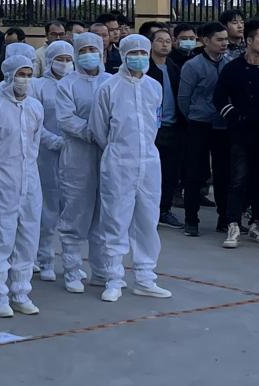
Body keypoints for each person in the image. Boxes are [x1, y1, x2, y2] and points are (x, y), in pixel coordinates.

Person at [90, 34, 173, 299]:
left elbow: (155, 122)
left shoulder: (154, 87)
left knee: (147, 219)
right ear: (124, 56)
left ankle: (146, 276)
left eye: (142, 52)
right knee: (115, 219)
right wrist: (117, 150)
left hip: (148, 161)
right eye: (133, 53)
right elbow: (98, 128)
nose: (138, 57)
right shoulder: (109, 88)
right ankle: (113, 278)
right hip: (118, 161)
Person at [0, 55, 48, 315]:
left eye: (29, 75)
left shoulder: (35, 107)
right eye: (20, 74)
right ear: (8, 75)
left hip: (30, 179)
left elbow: (35, 143)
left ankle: (21, 291)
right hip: (0, 178)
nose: (24, 80)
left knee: (28, 236)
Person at [214, 19, 259, 248]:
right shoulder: (233, 68)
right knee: (238, 180)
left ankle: (257, 223)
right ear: (249, 41)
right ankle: (232, 223)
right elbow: (219, 98)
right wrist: (234, 117)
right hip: (241, 135)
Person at [53, 32, 110, 291]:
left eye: (93, 49)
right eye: (83, 50)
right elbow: (65, 119)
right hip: (78, 155)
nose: (89, 55)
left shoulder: (111, 81)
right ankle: (72, 271)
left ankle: (101, 270)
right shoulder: (67, 84)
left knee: (103, 215)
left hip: (107, 155)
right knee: (75, 213)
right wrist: (92, 132)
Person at [177, 22, 229, 237]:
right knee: (195, 172)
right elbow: (184, 98)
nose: (224, 43)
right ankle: (191, 219)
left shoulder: (229, 63)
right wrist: (194, 115)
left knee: (224, 174)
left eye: (226, 39)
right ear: (206, 41)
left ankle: (225, 219)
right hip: (199, 124)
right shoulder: (193, 66)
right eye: (219, 39)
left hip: (223, 125)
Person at [31, 40, 71, 281]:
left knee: (70, 211)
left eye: (68, 59)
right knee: (47, 210)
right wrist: (53, 141)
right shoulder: (38, 86)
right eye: (59, 59)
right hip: (45, 156)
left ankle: (70, 261)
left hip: (74, 156)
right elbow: (34, 121)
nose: (64, 64)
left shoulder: (75, 84)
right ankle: (44, 258)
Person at [145, 25, 184, 229]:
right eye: (159, 40)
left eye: (168, 41)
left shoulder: (175, 68)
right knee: (150, 173)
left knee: (170, 173)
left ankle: (164, 210)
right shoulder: (145, 69)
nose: (164, 44)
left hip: (173, 127)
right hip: (152, 129)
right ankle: (148, 211)